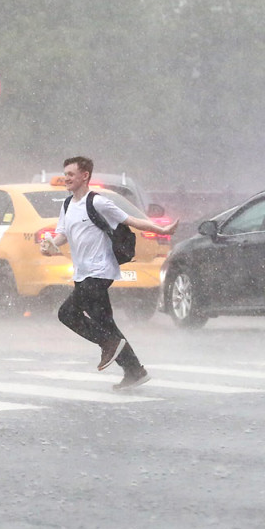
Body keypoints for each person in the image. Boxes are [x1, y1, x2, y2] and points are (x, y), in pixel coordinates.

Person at [41, 156, 178, 390]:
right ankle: (134, 370)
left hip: (100, 270)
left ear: (85, 176)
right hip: (82, 272)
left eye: (71, 174)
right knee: (105, 321)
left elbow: (131, 220)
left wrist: (161, 229)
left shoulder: (97, 203)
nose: (66, 178)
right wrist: (52, 244)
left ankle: (108, 343)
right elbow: (62, 233)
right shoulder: (67, 204)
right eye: (65, 174)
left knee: (67, 313)